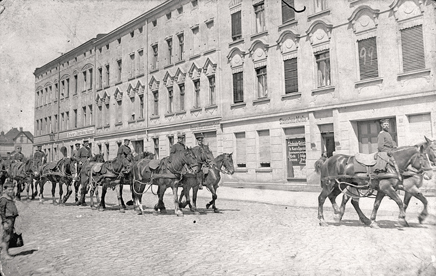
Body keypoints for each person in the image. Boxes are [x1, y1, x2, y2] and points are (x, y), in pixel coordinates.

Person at [0, 181, 19, 259]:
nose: (11, 191)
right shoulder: (4, 199)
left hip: (11, 218)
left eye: (12, 189)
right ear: (5, 190)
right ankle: (5, 254)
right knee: (7, 236)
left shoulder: (9, 198)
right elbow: (1, 211)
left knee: (8, 235)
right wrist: (4, 221)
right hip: (8, 219)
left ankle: (3, 251)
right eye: (9, 190)